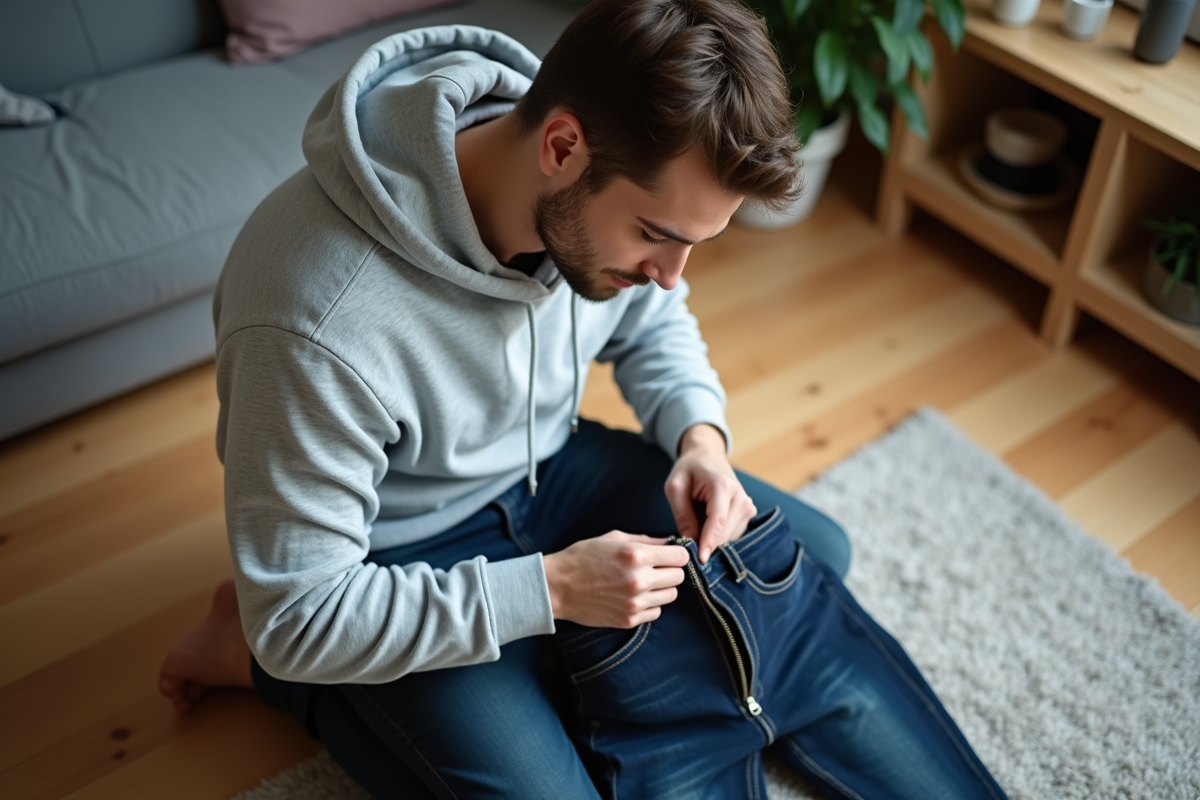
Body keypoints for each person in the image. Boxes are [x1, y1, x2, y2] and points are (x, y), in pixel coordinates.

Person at [159, 1, 1005, 797]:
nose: (670, 277)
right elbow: (303, 613)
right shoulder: (314, 316)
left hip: (549, 467)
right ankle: (252, 664)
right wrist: (551, 592)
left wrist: (700, 440)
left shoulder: (597, 192)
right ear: (561, 147)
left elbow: (655, 320)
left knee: (815, 553)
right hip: (405, 547)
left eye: (694, 248)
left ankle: (551, 664)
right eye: (658, 237)